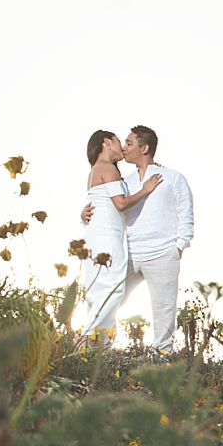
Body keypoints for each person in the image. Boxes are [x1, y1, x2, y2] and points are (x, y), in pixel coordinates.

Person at [81, 124, 194, 355]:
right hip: (129, 253)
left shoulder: (172, 178)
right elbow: (107, 206)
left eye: (129, 143)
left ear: (145, 148)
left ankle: (162, 359)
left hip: (162, 253)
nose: (124, 148)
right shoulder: (125, 181)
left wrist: (179, 246)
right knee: (110, 297)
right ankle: (98, 351)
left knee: (164, 310)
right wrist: (84, 215)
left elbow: (186, 212)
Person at [79, 129, 160, 343]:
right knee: (112, 288)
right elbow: (121, 203)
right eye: (118, 141)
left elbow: (98, 204)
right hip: (106, 238)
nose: (122, 147)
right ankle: (87, 340)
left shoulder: (98, 170)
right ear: (106, 142)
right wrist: (146, 189)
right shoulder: (107, 168)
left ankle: (100, 347)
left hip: (100, 235)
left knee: (101, 289)